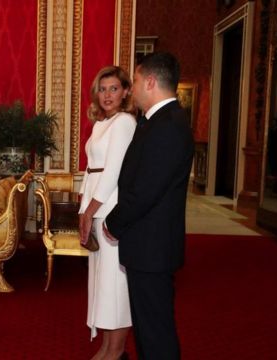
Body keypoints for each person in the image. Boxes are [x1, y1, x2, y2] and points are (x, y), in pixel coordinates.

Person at [104, 52, 195, 359]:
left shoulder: (168, 125)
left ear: (152, 82)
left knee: (156, 331)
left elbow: (145, 190)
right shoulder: (157, 121)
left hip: (152, 247)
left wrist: (113, 222)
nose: (132, 88)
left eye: (138, 80)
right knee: (147, 328)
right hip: (146, 245)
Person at [78, 66, 137, 360]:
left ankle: (116, 351)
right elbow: (92, 170)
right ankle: (105, 347)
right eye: (103, 89)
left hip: (110, 209)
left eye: (114, 89)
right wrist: (84, 208)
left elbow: (112, 172)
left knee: (115, 283)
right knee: (102, 283)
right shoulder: (103, 123)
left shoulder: (125, 122)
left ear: (126, 91)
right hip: (96, 207)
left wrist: (89, 212)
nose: (107, 95)